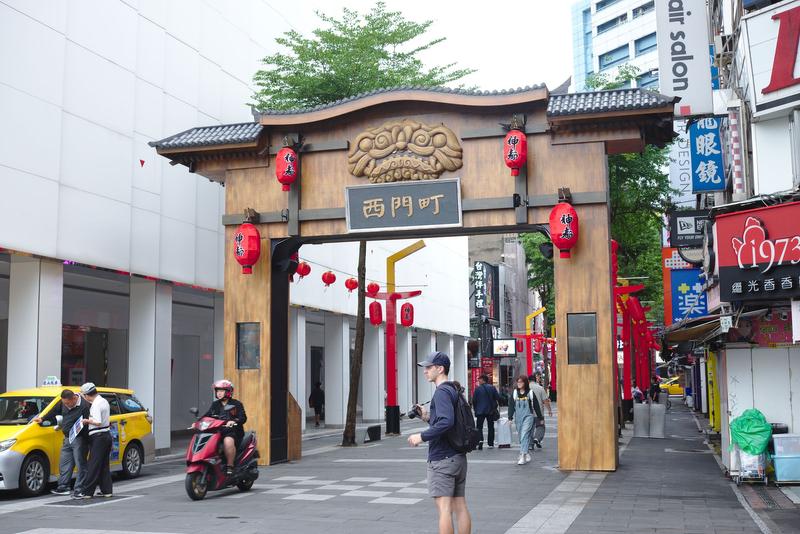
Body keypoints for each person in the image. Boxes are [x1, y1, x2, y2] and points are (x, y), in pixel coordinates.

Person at [407, 352, 472, 534]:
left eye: (429, 367)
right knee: (460, 505)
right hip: (458, 457)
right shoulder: (454, 390)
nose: (425, 371)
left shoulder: (442, 392)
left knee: (444, 509)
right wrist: (427, 416)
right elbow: (448, 421)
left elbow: (446, 422)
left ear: (440, 369)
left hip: (442, 458)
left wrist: (421, 436)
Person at [33, 389, 91, 496]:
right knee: (64, 462)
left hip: (80, 439)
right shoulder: (63, 403)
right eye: (64, 403)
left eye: (68, 403)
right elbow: (55, 411)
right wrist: (43, 419)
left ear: (74, 398)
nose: (66, 406)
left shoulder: (85, 406)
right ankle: (63, 487)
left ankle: (80, 489)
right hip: (67, 437)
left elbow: (88, 424)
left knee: (80, 464)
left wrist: (87, 441)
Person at [203, 379, 247, 476]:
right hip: (217, 431)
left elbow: (243, 418)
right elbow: (207, 415)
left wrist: (234, 421)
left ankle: (230, 466)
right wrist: (198, 422)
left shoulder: (236, 404)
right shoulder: (215, 404)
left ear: (228, 392)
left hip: (232, 431)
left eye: (221, 391)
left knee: (228, 442)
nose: (219, 393)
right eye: (217, 391)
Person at [76, 382, 112, 499]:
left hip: (98, 436)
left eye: (83, 396)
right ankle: (107, 491)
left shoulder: (96, 404)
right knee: (103, 464)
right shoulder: (104, 401)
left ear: (87, 395)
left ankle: (87, 492)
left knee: (93, 464)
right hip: (106, 435)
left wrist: (87, 421)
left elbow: (97, 421)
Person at [507, 375, 543, 465]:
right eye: (518, 382)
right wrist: (510, 418)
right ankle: (526, 452)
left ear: (525, 383)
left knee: (524, 434)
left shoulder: (530, 393)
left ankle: (522, 455)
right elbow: (511, 406)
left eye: (521, 382)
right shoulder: (515, 393)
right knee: (521, 437)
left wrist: (540, 418)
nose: (519, 384)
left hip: (529, 416)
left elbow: (536, 406)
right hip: (518, 418)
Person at [471, 374, 500, 450]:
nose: (478, 381)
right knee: (491, 427)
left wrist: (475, 409)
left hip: (480, 411)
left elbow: (474, 400)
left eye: (479, 379)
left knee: (479, 427)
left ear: (483, 380)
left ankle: (480, 440)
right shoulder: (492, 388)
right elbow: (498, 397)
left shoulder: (477, 389)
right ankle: (490, 443)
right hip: (490, 410)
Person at [529, 373, 552, 449]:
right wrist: (549, 410)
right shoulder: (540, 388)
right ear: (535, 380)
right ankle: (537, 438)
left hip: (528, 413)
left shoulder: (525, 388)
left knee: (529, 429)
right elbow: (545, 401)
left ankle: (530, 444)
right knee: (540, 426)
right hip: (539, 413)